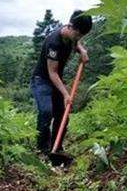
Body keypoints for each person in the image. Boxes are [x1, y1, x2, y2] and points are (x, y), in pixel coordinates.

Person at [30, 10, 92, 155]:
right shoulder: (54, 43)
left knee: (62, 113)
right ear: (70, 26)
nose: (78, 38)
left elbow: (76, 43)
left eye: (81, 36)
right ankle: (42, 149)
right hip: (42, 80)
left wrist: (82, 50)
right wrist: (66, 94)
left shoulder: (72, 35)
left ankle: (56, 148)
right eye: (77, 34)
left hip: (56, 80)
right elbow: (52, 73)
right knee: (46, 112)